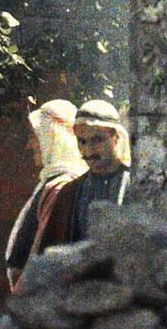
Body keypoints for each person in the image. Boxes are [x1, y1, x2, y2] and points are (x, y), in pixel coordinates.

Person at [15, 96, 131, 266]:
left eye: (97, 140)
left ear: (115, 137)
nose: (88, 150)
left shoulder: (136, 184)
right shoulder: (69, 193)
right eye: (82, 141)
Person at [4, 97, 84, 291]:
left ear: (52, 138)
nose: (30, 145)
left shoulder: (61, 187)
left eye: (35, 137)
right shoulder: (51, 181)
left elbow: (46, 254)